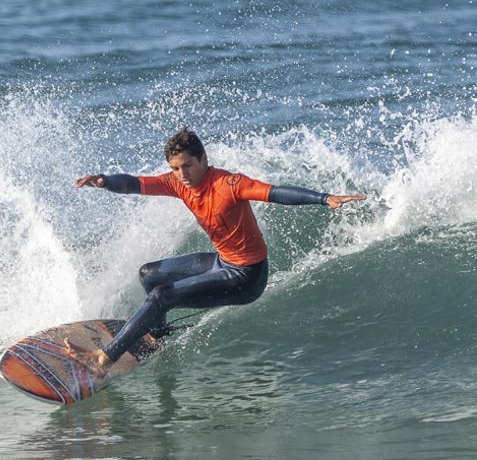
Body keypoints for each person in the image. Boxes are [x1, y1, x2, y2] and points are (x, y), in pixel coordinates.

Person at [70, 128, 365, 375]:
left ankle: (103, 360)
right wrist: (105, 181)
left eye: (187, 165)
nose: (182, 174)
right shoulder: (177, 183)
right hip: (222, 263)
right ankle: (156, 337)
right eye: (175, 168)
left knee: (161, 296)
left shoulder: (230, 184)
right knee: (149, 274)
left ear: (203, 159)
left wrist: (324, 198)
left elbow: (275, 192)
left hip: (246, 277)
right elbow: (135, 183)